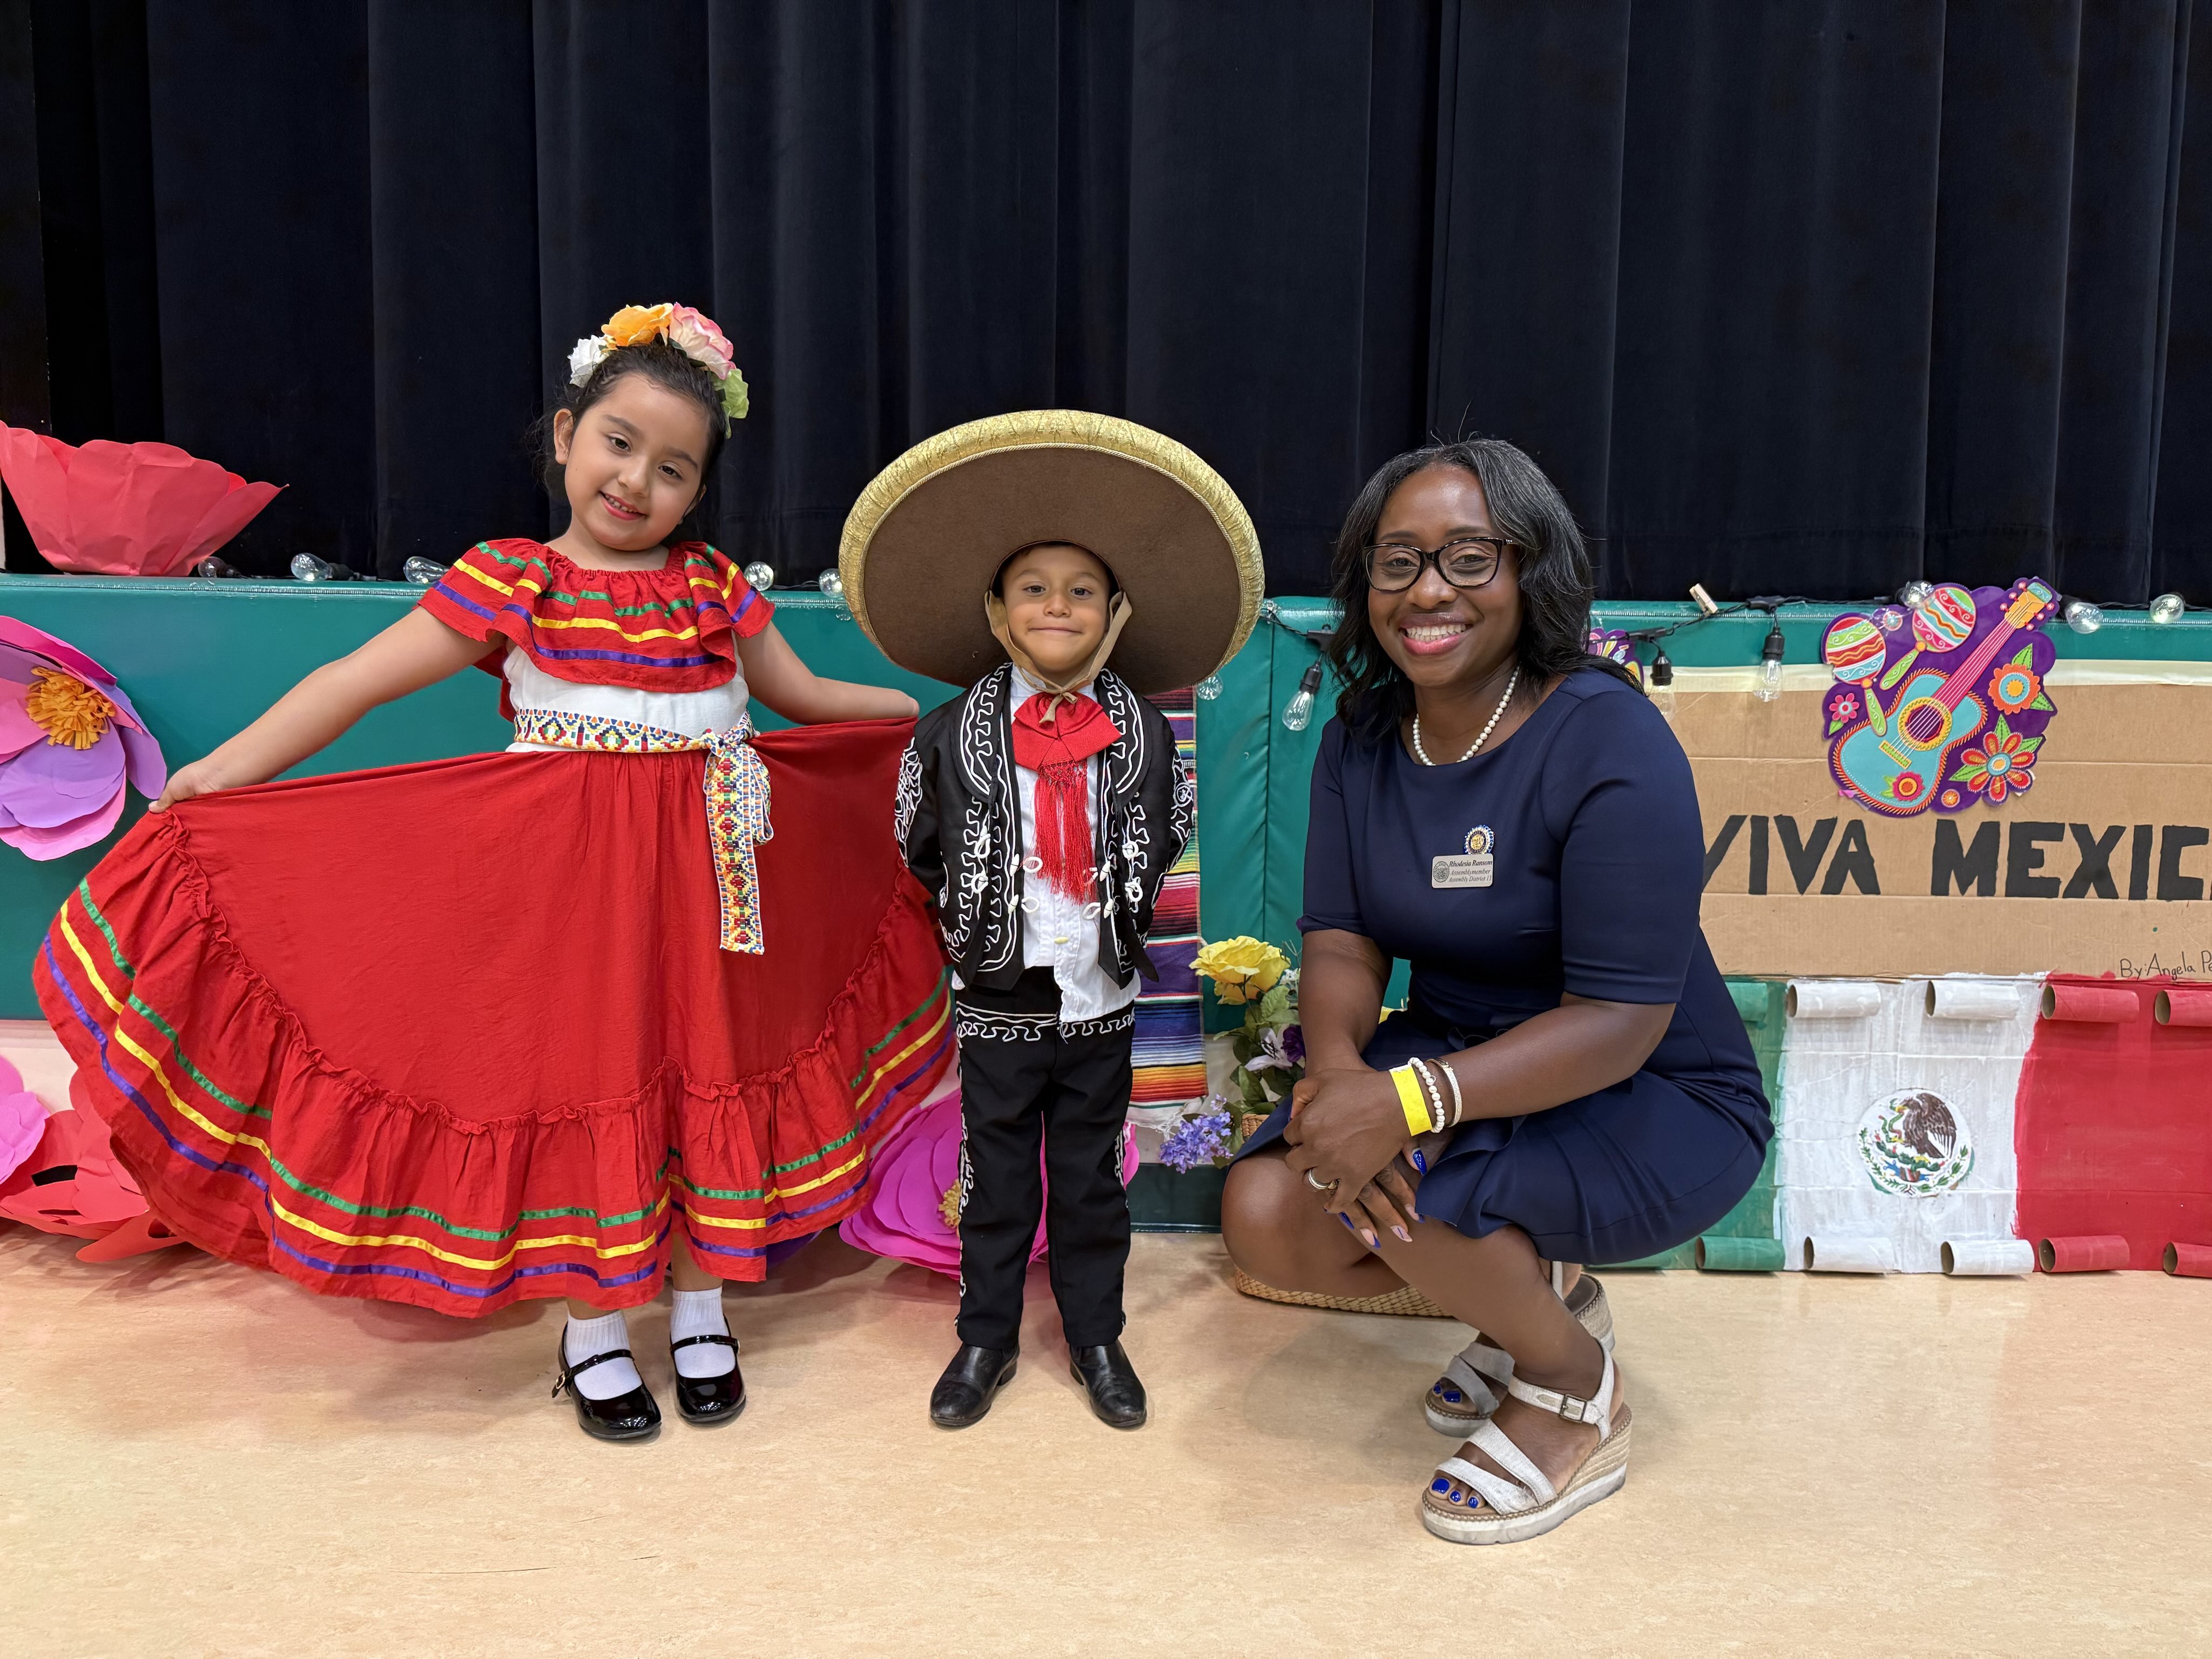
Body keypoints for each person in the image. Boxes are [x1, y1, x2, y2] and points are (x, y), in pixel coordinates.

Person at [36, 302, 952, 1444]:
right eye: (617, 442)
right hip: (564, 899)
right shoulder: (512, 580)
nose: (636, 482)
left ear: (698, 489)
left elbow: (802, 701)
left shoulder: (714, 588)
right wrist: (218, 773)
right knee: (586, 1078)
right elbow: (356, 681)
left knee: (707, 1064)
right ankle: (594, 1326)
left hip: (719, 890)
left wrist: (915, 720)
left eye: (673, 468)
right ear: (567, 435)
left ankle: (703, 1298)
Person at [1219, 438, 1772, 1543]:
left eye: (1468, 559)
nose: (1427, 590)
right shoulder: (1362, 738)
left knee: (1410, 1187)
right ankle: (1541, 1291)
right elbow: (1338, 933)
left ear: (1531, 571)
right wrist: (1336, 1077)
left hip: (1647, 1088)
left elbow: (1621, 1018)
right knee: (1269, 1209)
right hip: (1458, 1053)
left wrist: (1404, 1102)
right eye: (1397, 561)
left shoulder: (1609, 737)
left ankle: (1573, 1387)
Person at [838, 410, 1260, 1429]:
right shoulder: (948, 735)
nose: (1056, 606)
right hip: (998, 995)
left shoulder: (1146, 737)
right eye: (1034, 588)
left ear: (1115, 613)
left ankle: (1096, 1336)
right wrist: (981, 928)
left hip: (1102, 992)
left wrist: (1108, 916)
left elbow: (1166, 835)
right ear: (996, 612)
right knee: (994, 1171)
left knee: (1089, 1177)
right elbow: (917, 844)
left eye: (1081, 591)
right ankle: (984, 1338)